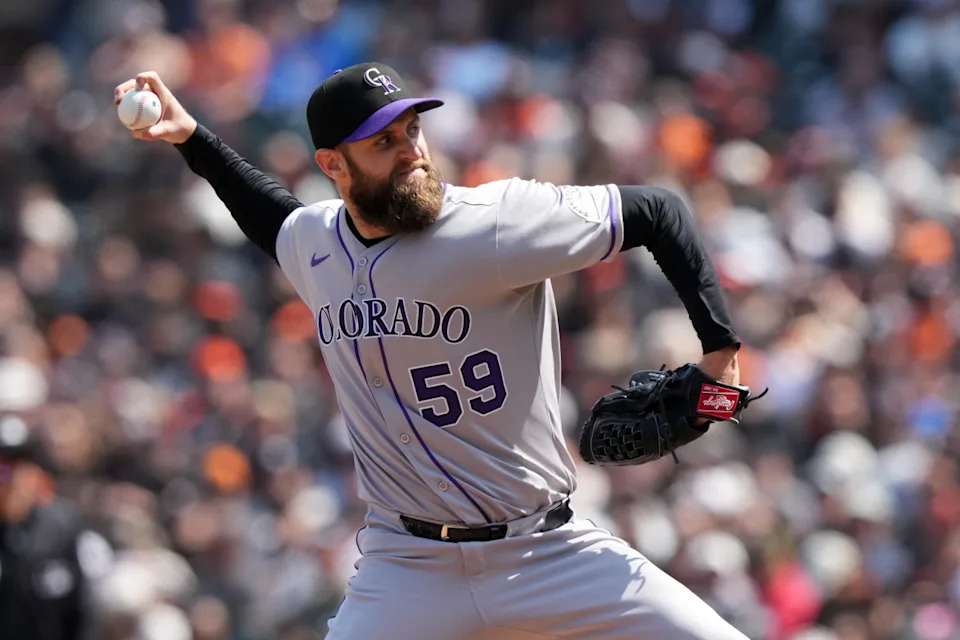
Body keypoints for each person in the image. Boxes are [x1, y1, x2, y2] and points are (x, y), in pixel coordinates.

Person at [114, 62, 748, 639]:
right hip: (406, 568)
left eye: (413, 130)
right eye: (384, 142)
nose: (412, 152)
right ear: (333, 165)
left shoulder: (493, 223)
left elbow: (660, 212)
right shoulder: (315, 245)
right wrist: (191, 138)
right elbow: (272, 217)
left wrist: (720, 352)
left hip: (548, 553)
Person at [0, 415, 108, 640]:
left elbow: (81, 613)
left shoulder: (61, 526)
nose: (10, 478)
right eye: (4, 467)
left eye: (20, 465)